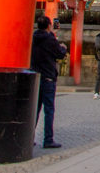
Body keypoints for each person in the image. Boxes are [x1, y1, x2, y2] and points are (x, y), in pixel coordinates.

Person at [31, 15, 68, 149]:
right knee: (49, 109)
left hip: (35, 76)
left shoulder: (33, 38)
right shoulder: (50, 40)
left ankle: (29, 137)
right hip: (48, 77)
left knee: (34, 109)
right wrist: (63, 47)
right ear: (48, 26)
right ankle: (48, 139)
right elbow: (59, 54)